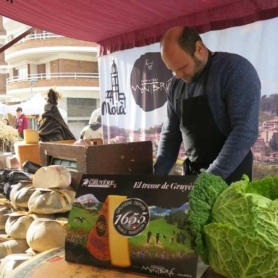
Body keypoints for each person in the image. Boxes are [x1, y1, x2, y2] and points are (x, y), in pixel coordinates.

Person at [154, 26, 261, 185]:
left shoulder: (236, 70)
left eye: (182, 67)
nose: (178, 75)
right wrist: (154, 179)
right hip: (193, 175)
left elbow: (245, 132)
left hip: (231, 179)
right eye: (173, 70)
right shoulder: (175, 85)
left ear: (198, 48)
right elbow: (170, 134)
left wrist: (209, 180)